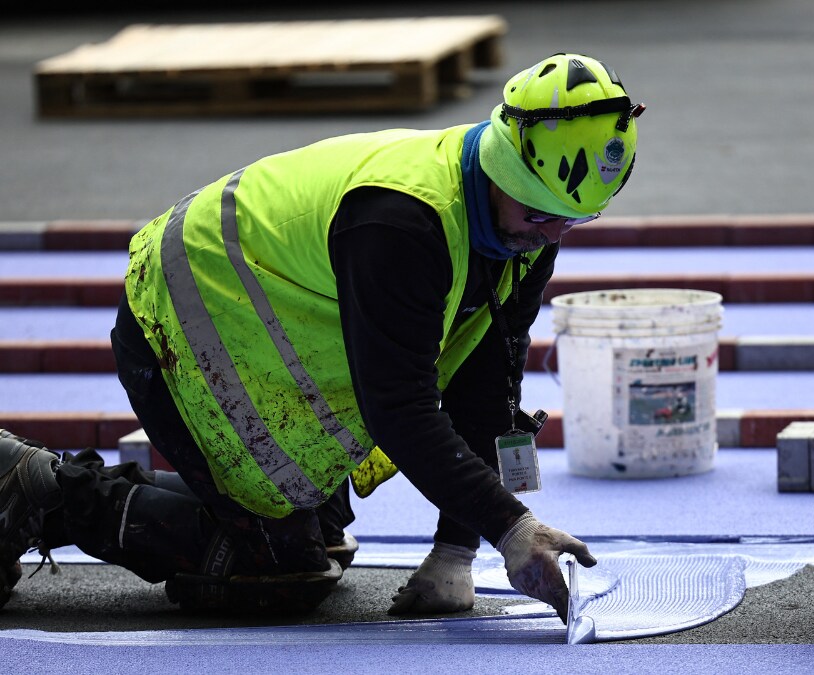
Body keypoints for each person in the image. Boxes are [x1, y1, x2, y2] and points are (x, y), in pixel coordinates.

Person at [0, 52, 643, 621]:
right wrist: (510, 527)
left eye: (574, 220)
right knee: (275, 569)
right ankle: (35, 485)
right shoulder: (405, 222)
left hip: (261, 334)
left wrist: (457, 549)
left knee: (321, 537)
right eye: (540, 215)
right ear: (505, 168)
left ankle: (143, 499)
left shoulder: (520, 228)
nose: (552, 235)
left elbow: (486, 384)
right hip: (182, 324)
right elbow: (400, 407)